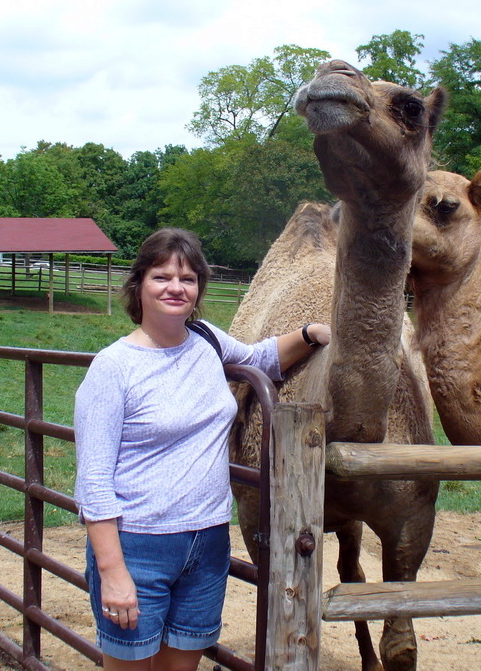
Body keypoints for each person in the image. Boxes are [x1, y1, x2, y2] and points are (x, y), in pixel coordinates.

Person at [74, 228, 330, 671]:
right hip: (138, 547)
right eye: (162, 276)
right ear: (139, 286)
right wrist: (113, 572)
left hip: (208, 542)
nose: (176, 287)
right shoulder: (113, 368)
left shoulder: (208, 341)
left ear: (198, 290)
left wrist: (310, 333)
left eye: (188, 278)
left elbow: (260, 357)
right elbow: (93, 481)